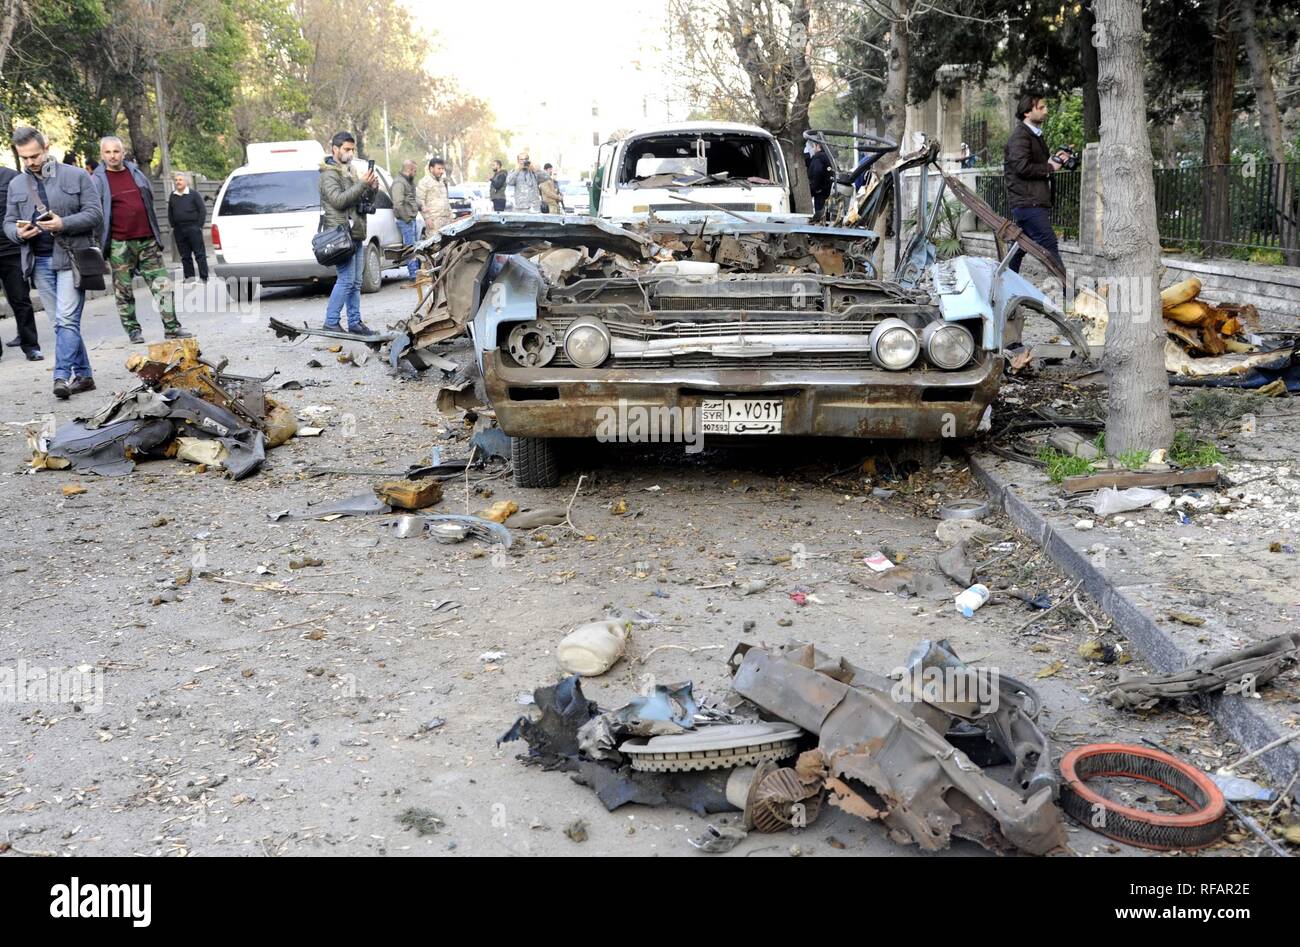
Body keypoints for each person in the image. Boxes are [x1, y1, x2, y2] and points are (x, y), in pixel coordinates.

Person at [3, 126, 104, 399]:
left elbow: (95, 214)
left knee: (66, 319)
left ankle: (60, 376)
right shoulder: (16, 184)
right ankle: (83, 375)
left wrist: (63, 223)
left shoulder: (77, 175)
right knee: (62, 323)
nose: (31, 162)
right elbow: (9, 222)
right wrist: (18, 233)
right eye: (25, 158)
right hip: (38, 261)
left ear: (46, 147)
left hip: (72, 258)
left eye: (34, 156)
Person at [93, 136, 192, 343]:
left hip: (147, 240)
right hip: (119, 243)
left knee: (163, 285)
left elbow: (149, 200)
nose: (113, 156)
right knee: (124, 291)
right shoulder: (97, 180)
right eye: (108, 152)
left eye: (116, 151)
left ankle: (172, 327)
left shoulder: (135, 172)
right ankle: (133, 331)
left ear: (123, 153)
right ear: (102, 155)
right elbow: (94, 211)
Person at [318, 130, 379, 335]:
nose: (350, 153)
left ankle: (355, 322)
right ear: (335, 149)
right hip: (340, 234)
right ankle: (331, 322)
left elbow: (361, 200)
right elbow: (339, 201)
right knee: (345, 280)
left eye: (352, 149)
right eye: (346, 149)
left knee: (356, 282)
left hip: (355, 232)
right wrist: (362, 184)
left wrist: (372, 188)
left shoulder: (350, 171)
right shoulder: (328, 174)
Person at [1003, 93, 1069, 277]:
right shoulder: (1020, 136)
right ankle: (1069, 294)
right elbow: (1021, 167)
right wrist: (1049, 167)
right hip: (1027, 203)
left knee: (1020, 246)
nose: (1045, 111)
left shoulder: (1033, 135)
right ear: (1026, 112)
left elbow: (1031, 163)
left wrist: (1054, 160)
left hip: (1031, 202)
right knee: (1049, 244)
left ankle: (1005, 282)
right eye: (1040, 108)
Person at [0, 164, 43, 360]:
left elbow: (29, 205)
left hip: (12, 250)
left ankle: (31, 346)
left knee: (21, 300)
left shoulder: (11, 177)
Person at [167, 171, 208, 282]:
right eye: (176, 180)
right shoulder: (173, 195)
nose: (177, 182)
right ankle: (189, 277)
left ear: (186, 181)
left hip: (193, 227)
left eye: (180, 180)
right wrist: (173, 226)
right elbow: (170, 211)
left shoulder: (194, 194)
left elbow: (202, 210)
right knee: (185, 256)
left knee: (199, 254)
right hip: (179, 229)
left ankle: (204, 277)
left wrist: (199, 226)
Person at [390, 159, 421, 279]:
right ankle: (414, 274)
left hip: (410, 219)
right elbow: (398, 204)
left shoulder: (407, 182)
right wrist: (407, 218)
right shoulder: (399, 183)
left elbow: (411, 199)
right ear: (409, 169)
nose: (415, 173)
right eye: (414, 170)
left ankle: (417, 273)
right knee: (410, 248)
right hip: (405, 220)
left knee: (414, 247)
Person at [417, 157, 452, 234]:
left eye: (442, 169)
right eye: (439, 169)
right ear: (431, 168)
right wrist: (427, 218)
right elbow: (420, 201)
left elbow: (446, 200)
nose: (442, 171)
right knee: (435, 245)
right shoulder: (424, 182)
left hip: (446, 221)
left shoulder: (442, 182)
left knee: (447, 244)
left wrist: (451, 216)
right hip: (433, 222)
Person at [807, 141, 833, 219]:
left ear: (818, 146)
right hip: (827, 191)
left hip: (820, 192)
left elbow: (817, 172)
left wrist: (815, 188)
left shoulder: (818, 157)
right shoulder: (828, 157)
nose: (813, 149)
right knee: (826, 214)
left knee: (820, 215)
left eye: (813, 146)